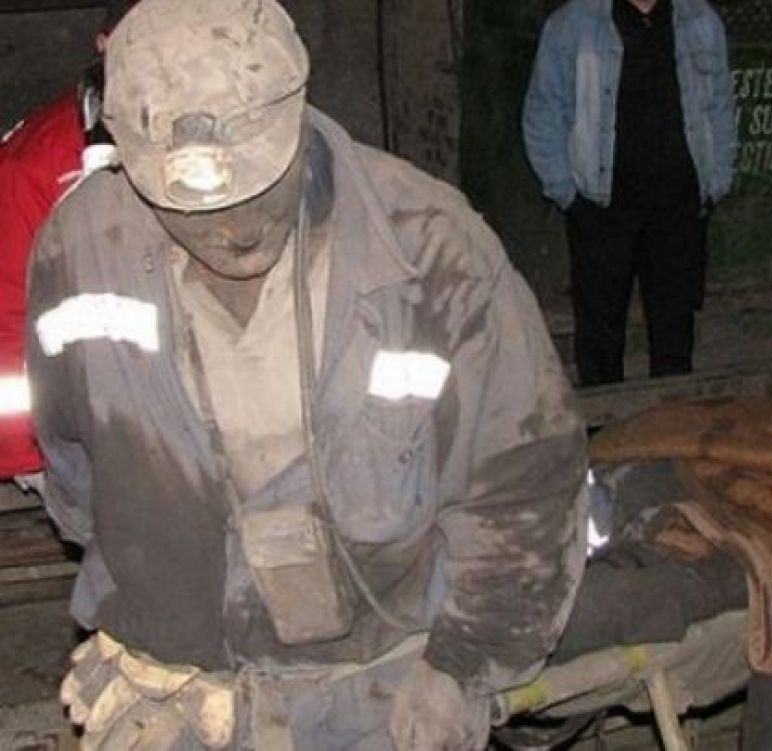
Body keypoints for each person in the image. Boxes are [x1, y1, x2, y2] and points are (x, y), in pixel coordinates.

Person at [25, 0, 587, 748]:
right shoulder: (80, 249)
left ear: (296, 113)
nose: (234, 229)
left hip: (376, 694)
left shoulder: (431, 254)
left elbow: (524, 480)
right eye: (197, 213)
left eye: (257, 192)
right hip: (180, 688)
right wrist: (145, 590)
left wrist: (463, 666)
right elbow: (71, 468)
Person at [522, 0, 737, 386]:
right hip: (602, 207)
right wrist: (568, 195)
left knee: (674, 334)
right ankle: (602, 421)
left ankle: (670, 419)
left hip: (678, 205)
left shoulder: (701, 23)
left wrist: (715, 182)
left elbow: (720, 105)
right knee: (599, 336)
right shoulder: (573, 25)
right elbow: (544, 111)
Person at [0, 0, 131, 487]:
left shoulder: (233, 143)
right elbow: (5, 308)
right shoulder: (38, 164)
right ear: (105, 44)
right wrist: (30, 460)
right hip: (90, 429)